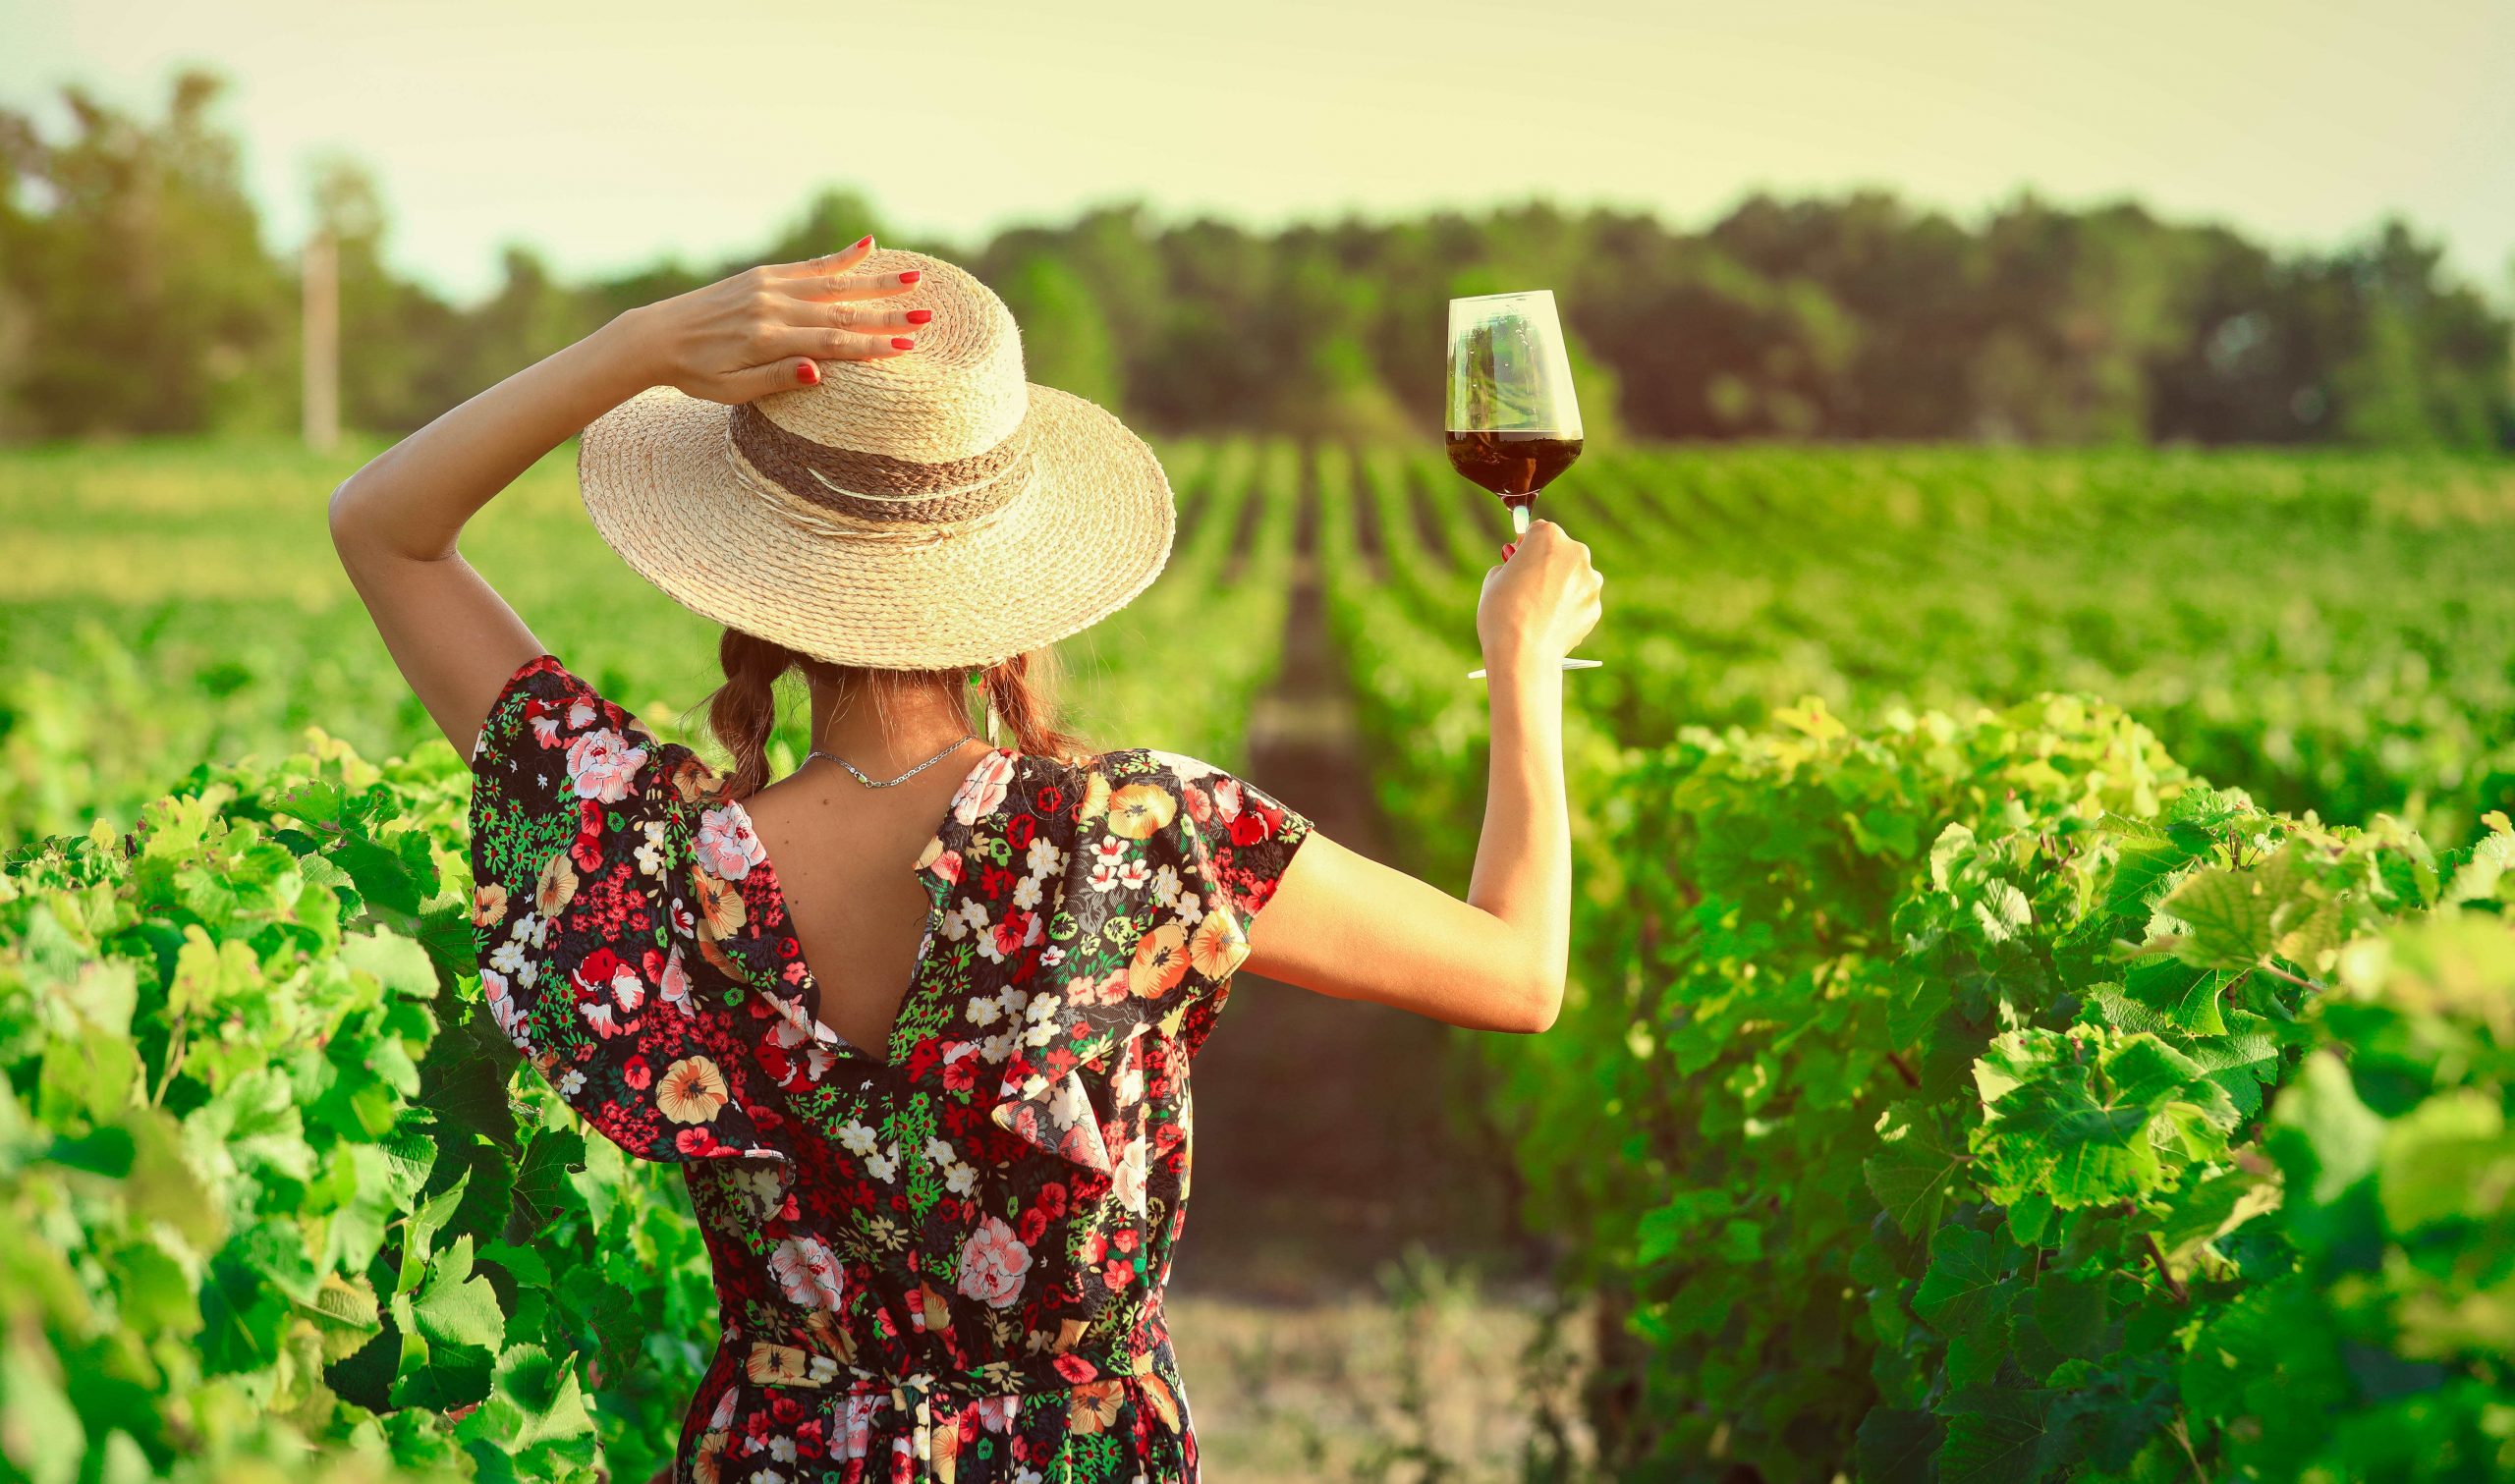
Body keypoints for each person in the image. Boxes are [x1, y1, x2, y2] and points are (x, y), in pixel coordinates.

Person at [328, 238, 1603, 1484]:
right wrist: (1522, 664)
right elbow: (1519, 975)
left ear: (750, 587)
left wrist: (639, 347)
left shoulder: (649, 857)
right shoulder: (1143, 837)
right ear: (1014, 582)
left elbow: (382, 526)